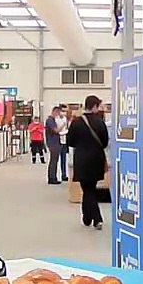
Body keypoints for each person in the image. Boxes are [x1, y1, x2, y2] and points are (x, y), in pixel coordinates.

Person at [65, 95, 109, 229]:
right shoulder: (100, 122)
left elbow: (70, 142)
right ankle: (87, 217)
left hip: (82, 160)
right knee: (90, 188)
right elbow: (105, 142)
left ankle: (96, 219)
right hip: (96, 159)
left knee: (87, 189)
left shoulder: (76, 122)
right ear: (94, 106)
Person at [44, 105, 68, 184]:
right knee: (54, 161)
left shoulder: (52, 120)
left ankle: (52, 176)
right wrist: (63, 125)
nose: (58, 115)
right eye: (57, 113)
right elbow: (56, 131)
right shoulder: (50, 120)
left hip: (55, 142)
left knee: (54, 160)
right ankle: (52, 177)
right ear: (55, 112)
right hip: (53, 143)